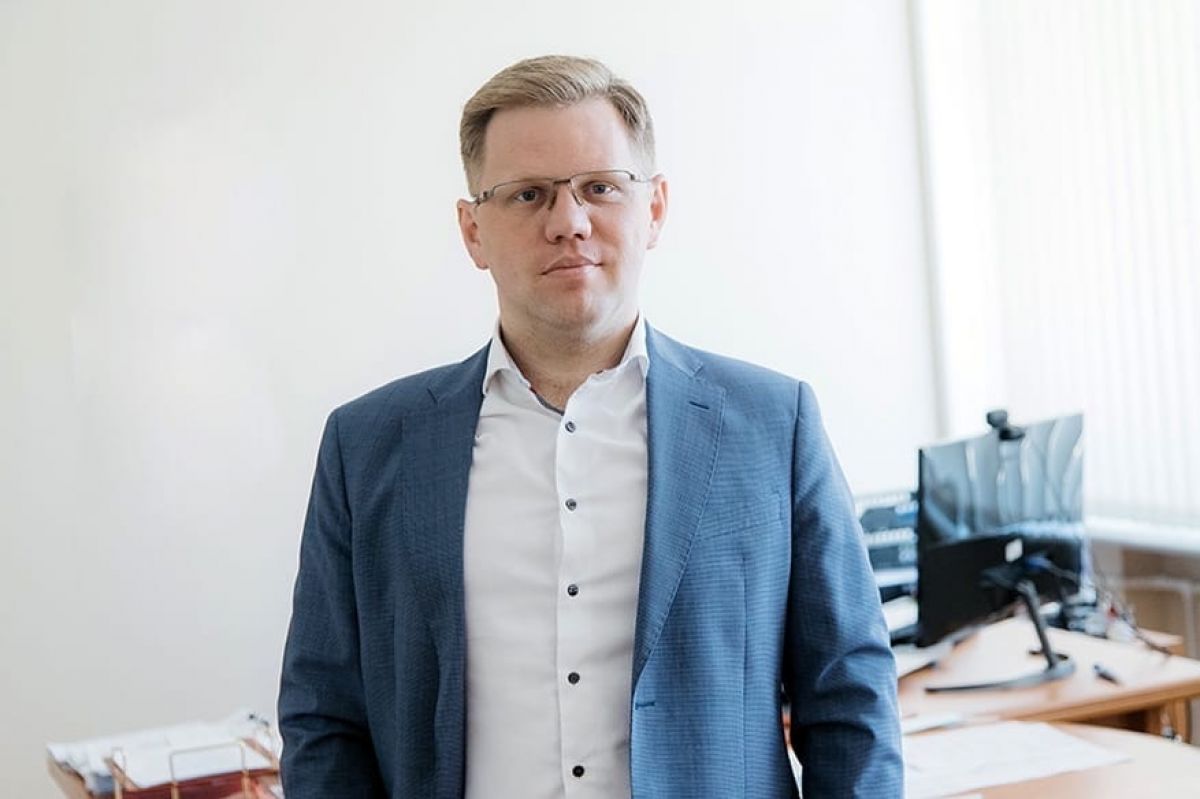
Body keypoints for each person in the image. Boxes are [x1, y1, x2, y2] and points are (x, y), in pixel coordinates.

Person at [278, 54, 902, 798]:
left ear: (654, 208)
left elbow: (850, 697)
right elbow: (324, 719)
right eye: (528, 194)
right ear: (473, 231)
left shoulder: (773, 425)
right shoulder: (367, 447)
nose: (568, 223)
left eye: (600, 187)